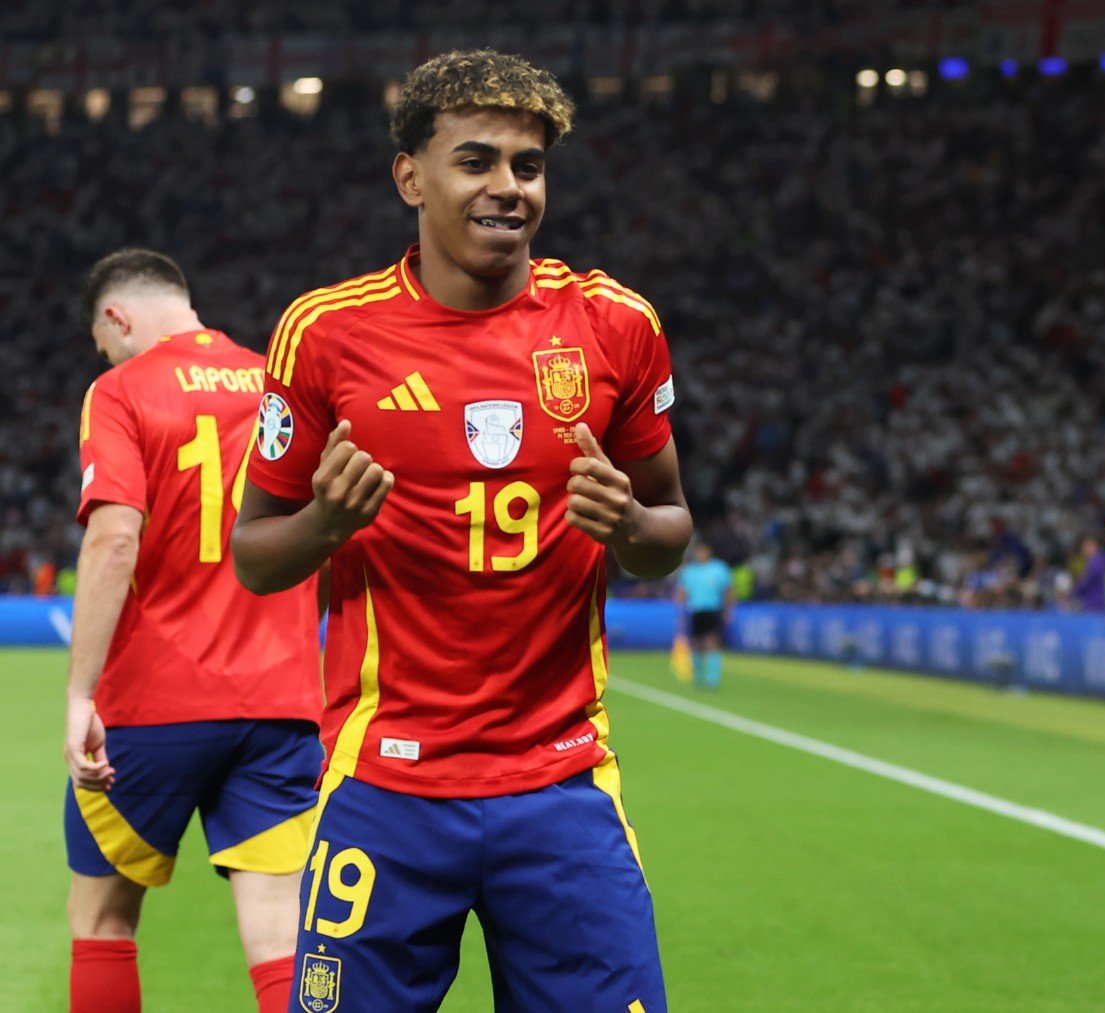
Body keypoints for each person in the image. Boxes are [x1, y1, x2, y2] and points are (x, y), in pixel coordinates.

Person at [231, 50, 689, 1011]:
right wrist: (327, 521)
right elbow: (257, 557)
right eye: (475, 161)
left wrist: (627, 526)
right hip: (386, 786)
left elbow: (669, 530)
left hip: (561, 781)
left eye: (527, 167)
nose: (508, 189)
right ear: (411, 176)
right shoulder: (325, 335)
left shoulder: (614, 325)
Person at [66, 249, 323, 1013]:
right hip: (281, 701)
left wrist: (80, 692)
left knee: (104, 921)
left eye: (101, 341)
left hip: (153, 704)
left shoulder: (120, 390)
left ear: (115, 316)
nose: (105, 355)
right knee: (281, 935)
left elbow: (114, 538)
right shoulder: (279, 386)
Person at [675, 540, 734, 689]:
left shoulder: (719, 568)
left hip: (713, 610)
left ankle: (712, 679)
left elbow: (728, 591)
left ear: (709, 552)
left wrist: (728, 610)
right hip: (695, 610)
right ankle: (698, 676)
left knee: (712, 642)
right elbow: (682, 592)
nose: (700, 554)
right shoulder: (690, 571)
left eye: (703, 551)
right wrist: (680, 607)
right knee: (696, 643)